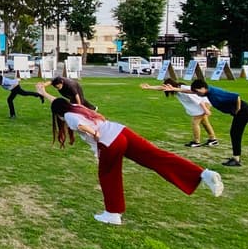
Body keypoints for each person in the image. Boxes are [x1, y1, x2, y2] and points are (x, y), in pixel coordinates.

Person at [37, 86, 223, 224]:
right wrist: (44, 93)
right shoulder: (77, 107)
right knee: (157, 156)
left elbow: (77, 124)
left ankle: (112, 213)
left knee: (109, 176)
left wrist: (93, 133)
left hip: (109, 141)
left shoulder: (70, 116)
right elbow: (60, 104)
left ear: (58, 114)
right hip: (121, 131)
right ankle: (202, 173)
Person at [164, 80, 248, 166]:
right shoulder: (206, 92)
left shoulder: (215, 93)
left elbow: (236, 96)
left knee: (234, 133)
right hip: (242, 110)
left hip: (242, 110)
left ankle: (236, 159)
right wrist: (174, 89)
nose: (194, 93)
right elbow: (186, 90)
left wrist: (237, 110)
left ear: (201, 89)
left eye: (196, 92)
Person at [140, 83, 219, 147]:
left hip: (204, 104)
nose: (165, 90)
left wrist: (206, 110)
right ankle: (213, 139)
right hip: (202, 105)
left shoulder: (184, 90)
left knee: (195, 123)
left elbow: (199, 100)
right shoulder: (175, 88)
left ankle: (196, 141)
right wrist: (149, 87)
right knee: (205, 122)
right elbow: (161, 88)